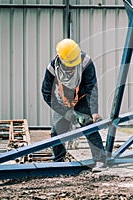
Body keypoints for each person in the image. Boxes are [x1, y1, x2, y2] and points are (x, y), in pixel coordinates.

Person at [41, 38, 106, 172]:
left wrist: (93, 112)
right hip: (62, 102)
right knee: (57, 131)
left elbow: (91, 88)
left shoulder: (86, 62)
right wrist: (64, 112)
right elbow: (46, 92)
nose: (71, 66)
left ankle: (100, 160)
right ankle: (58, 163)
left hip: (82, 99)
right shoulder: (53, 68)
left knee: (89, 127)